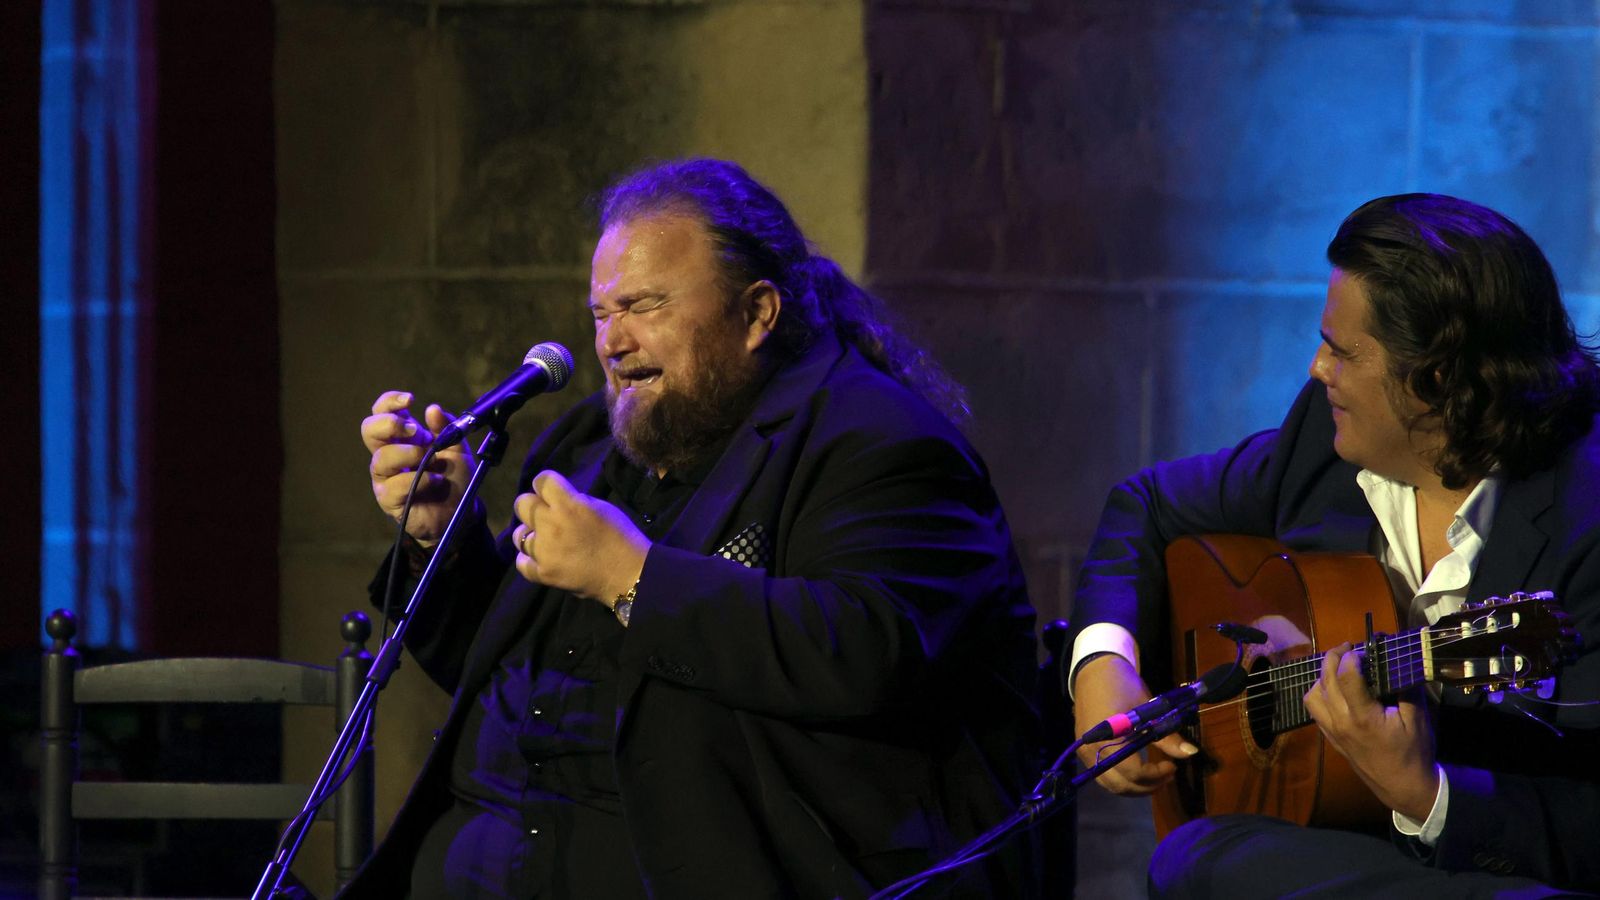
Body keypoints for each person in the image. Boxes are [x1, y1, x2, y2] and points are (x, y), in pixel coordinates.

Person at [348, 158, 1040, 898]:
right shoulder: (583, 447)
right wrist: (440, 536)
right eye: (600, 313)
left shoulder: (881, 443)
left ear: (757, 314)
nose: (612, 342)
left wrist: (633, 579)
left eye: (644, 306)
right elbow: (499, 670)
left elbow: (869, 649)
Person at [1066, 193, 1600, 897]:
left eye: (1342, 351)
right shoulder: (1324, 441)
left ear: (1434, 380)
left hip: (1502, 871)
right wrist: (1102, 664)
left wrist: (1428, 795)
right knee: (1192, 855)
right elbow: (1147, 502)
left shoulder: (1582, 526)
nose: (1318, 369)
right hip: (1341, 852)